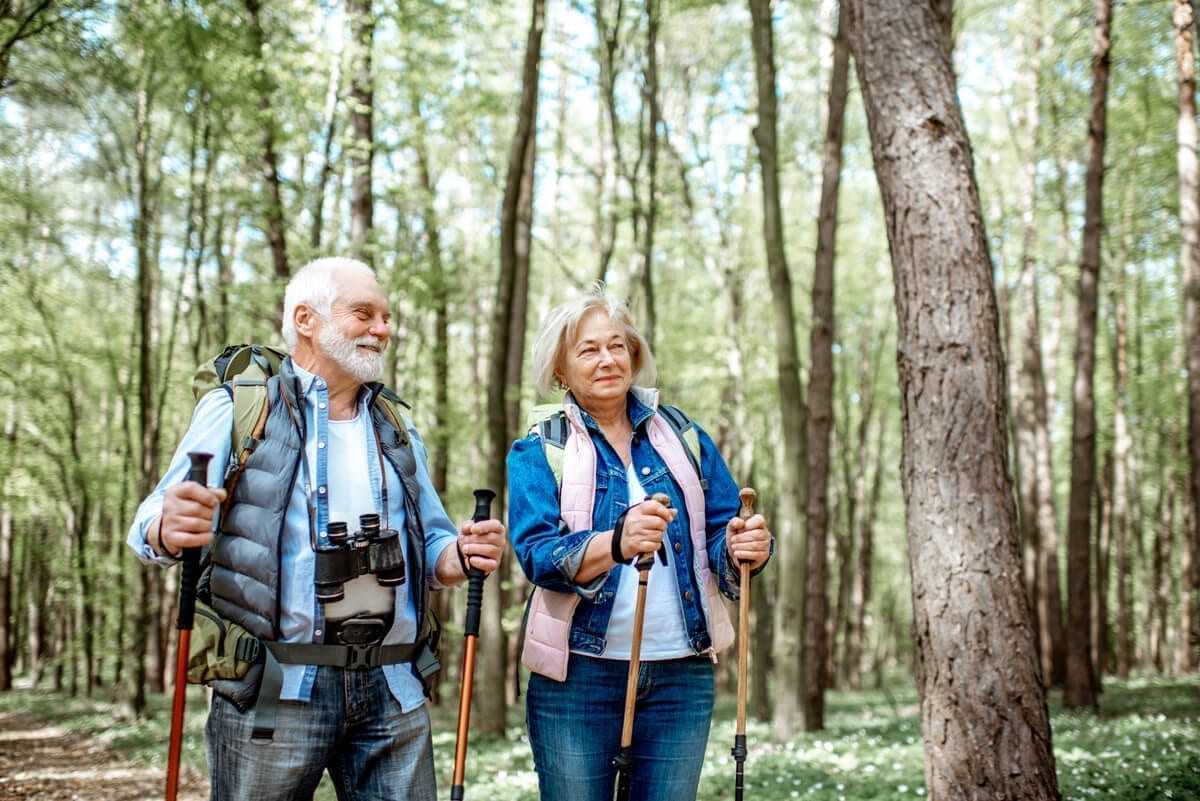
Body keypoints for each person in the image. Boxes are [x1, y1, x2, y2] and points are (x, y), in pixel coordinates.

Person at [128, 256, 506, 801]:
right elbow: (150, 524)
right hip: (275, 686)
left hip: (393, 688)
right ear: (306, 319)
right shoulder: (239, 409)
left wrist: (462, 554)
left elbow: (437, 547)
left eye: (386, 317)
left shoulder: (396, 424)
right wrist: (170, 524)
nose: (383, 330)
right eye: (364, 313)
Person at [506, 283, 773, 801]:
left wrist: (744, 547)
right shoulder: (541, 449)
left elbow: (719, 536)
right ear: (561, 370)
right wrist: (617, 541)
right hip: (577, 678)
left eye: (616, 345)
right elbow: (539, 556)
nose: (607, 359)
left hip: (682, 674)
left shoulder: (684, 435)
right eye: (588, 349)